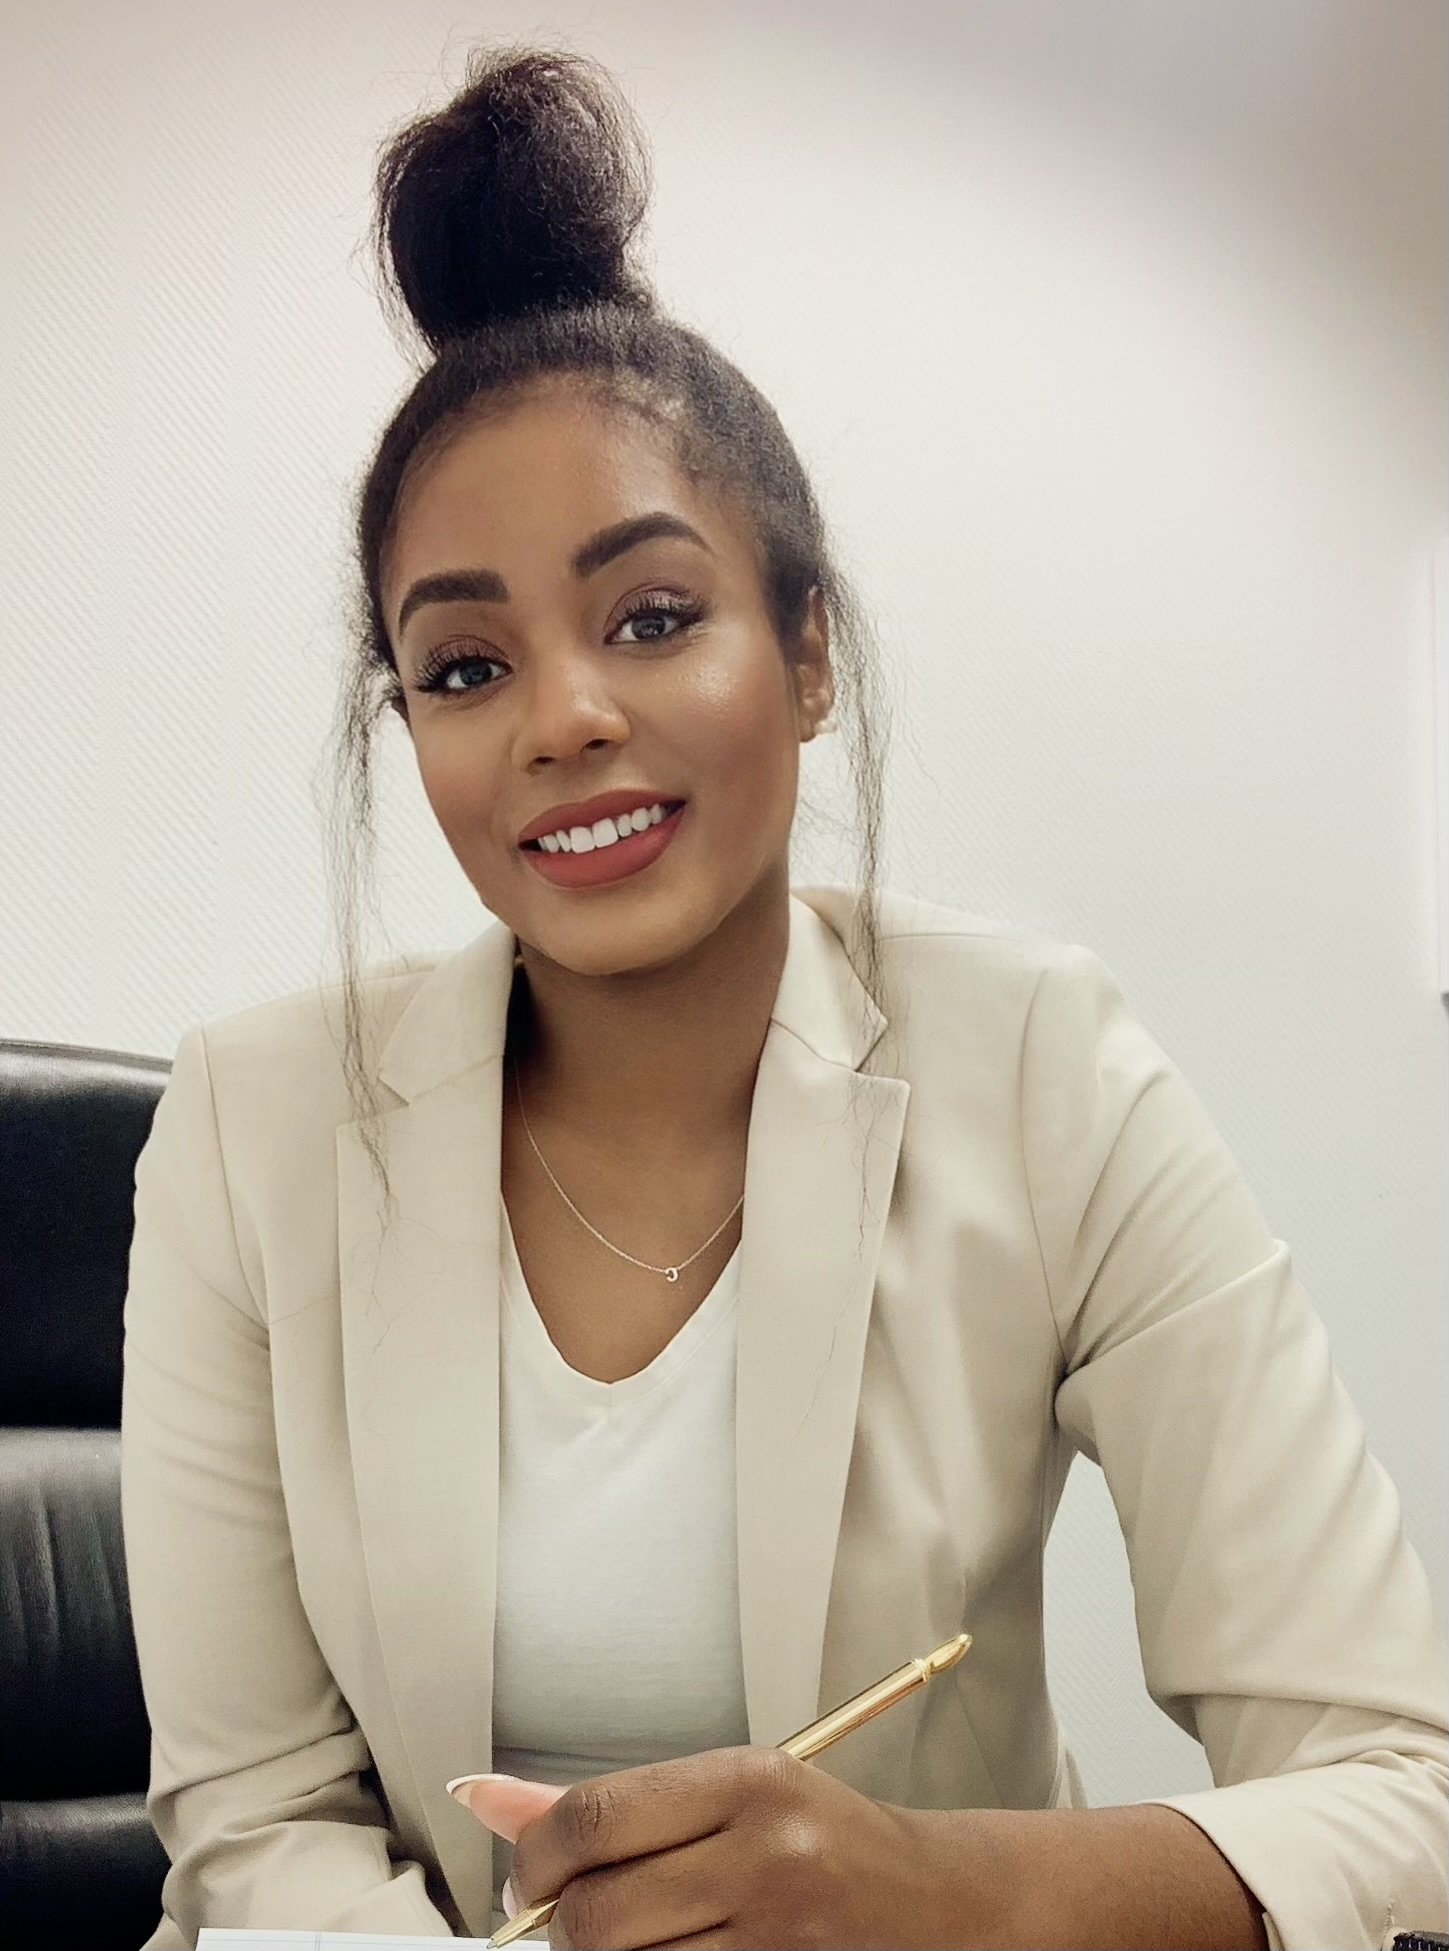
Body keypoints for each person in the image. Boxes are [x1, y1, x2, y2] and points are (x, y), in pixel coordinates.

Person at [119, 41, 1448, 1951]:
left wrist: (942, 1892)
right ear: (407, 727)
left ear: (806, 655)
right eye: (465, 666)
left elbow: (1396, 1787)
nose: (564, 717)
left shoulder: (1043, 1068)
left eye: (652, 617)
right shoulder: (250, 1128)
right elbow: (253, 1819)